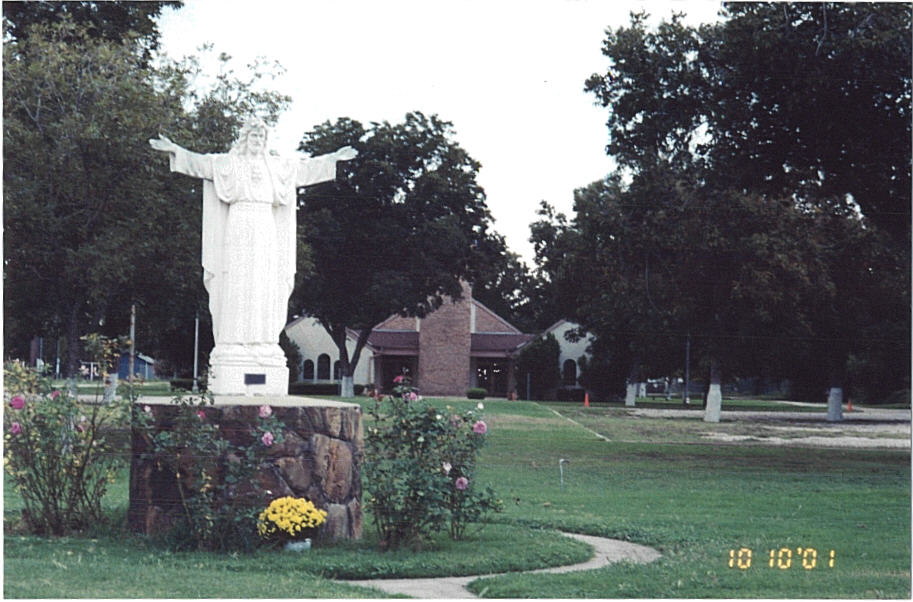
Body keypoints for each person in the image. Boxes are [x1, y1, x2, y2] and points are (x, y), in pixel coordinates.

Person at [149, 118, 356, 371]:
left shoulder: (277, 166)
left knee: (263, 282)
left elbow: (304, 170)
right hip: (239, 223)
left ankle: (263, 342)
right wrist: (177, 151)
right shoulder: (229, 163)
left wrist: (332, 159)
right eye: (253, 137)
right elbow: (202, 164)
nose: (257, 142)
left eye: (261, 138)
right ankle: (233, 341)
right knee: (238, 280)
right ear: (245, 139)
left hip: (265, 226)